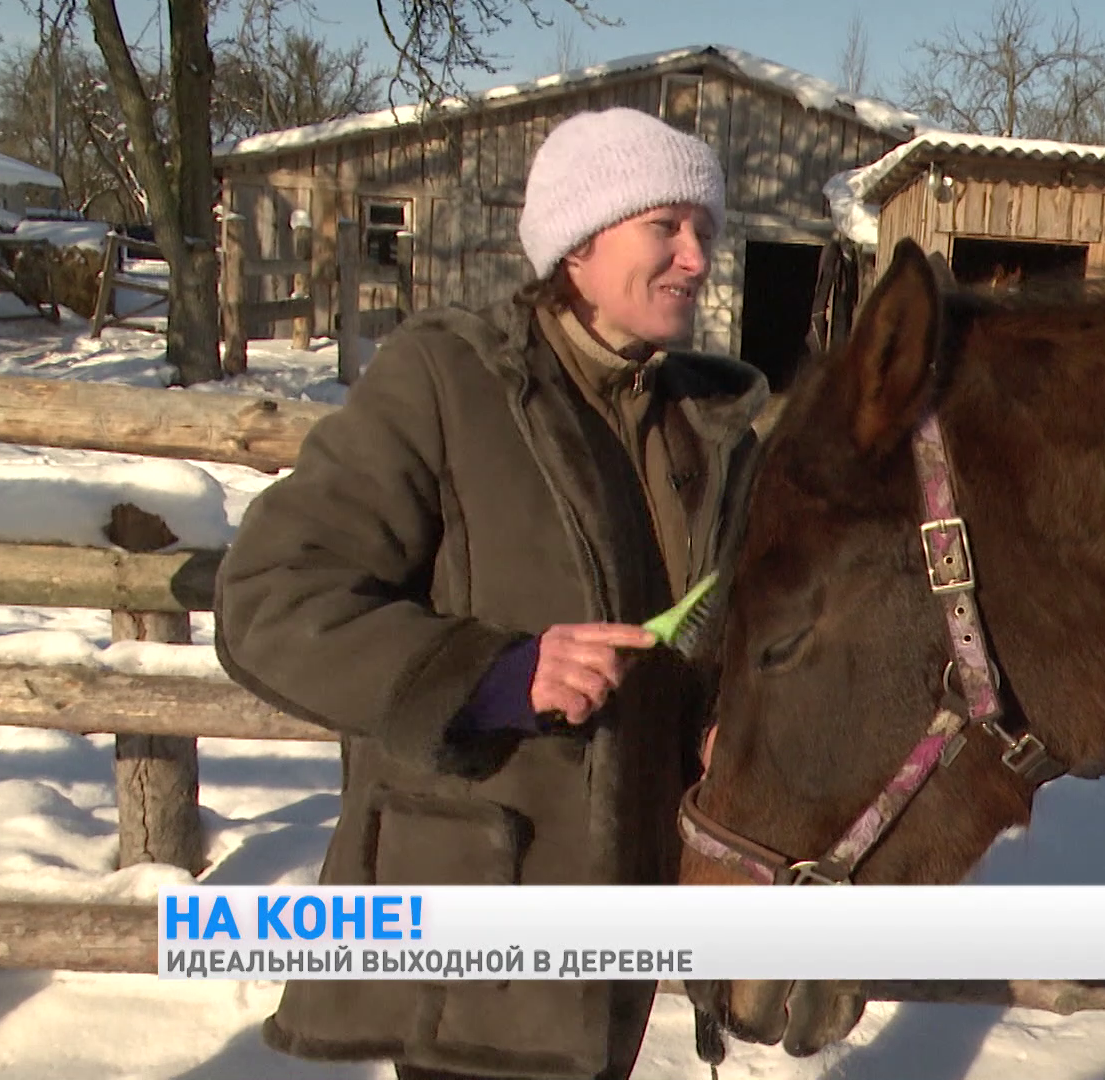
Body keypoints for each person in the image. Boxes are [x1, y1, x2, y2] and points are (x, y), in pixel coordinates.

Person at [213, 107, 767, 1080]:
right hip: (478, 892)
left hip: (624, 910)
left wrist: (723, 714)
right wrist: (495, 674)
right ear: (580, 242)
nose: (696, 258)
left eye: (706, 232)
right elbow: (271, 598)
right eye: (666, 228)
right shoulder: (448, 381)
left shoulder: (709, 428)